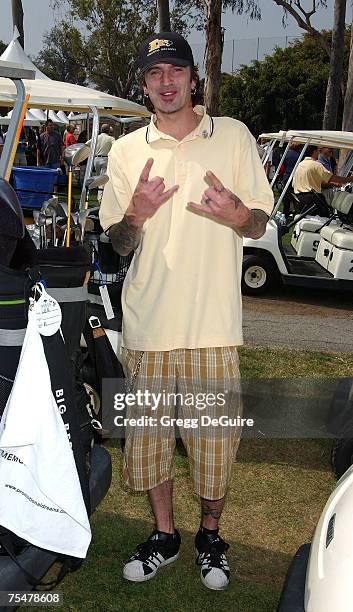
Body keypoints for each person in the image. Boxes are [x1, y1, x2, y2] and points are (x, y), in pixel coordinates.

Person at [99, 31, 273, 591]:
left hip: (213, 326)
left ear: (194, 78)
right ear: (145, 85)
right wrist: (136, 215)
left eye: (176, 70)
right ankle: (165, 534)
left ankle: (211, 534)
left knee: (214, 443)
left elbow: (260, 224)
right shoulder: (126, 151)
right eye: (155, 74)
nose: (167, 82)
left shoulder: (236, 137)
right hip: (149, 326)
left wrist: (237, 215)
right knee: (150, 443)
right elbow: (118, 244)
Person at [293, 144, 353, 213]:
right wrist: (349, 179)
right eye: (318, 151)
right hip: (311, 200)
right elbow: (333, 178)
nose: (319, 153)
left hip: (300, 198)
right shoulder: (316, 165)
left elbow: (311, 183)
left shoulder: (300, 164)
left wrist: (331, 184)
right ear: (314, 151)